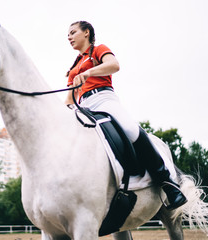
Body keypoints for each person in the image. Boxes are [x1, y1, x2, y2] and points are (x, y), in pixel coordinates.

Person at [65, 20, 187, 210]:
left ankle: (169, 184)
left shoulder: (98, 50)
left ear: (86, 32)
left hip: (104, 99)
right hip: (84, 106)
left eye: (73, 32)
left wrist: (89, 73)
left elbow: (114, 65)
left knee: (130, 129)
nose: (69, 36)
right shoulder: (73, 68)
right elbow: (69, 99)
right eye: (68, 34)